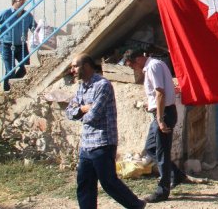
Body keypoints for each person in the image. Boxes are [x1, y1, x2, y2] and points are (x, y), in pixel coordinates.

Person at [66, 53, 146, 209]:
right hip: (86, 143)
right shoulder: (82, 86)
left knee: (108, 182)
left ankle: (135, 205)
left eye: (75, 66)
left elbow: (93, 116)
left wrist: (80, 113)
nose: (72, 70)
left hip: (103, 142)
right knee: (84, 183)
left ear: (87, 66)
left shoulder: (102, 85)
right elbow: (69, 111)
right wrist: (82, 109)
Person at [123, 49, 190, 203]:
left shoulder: (153, 66)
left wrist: (160, 119)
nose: (133, 68)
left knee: (161, 153)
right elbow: (157, 94)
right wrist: (152, 105)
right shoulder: (155, 65)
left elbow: (160, 93)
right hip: (161, 112)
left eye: (132, 65)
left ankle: (162, 191)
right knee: (151, 148)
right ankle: (176, 175)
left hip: (164, 114)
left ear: (138, 59)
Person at [0, 0, 36, 91]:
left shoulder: (28, 15)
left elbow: (35, 29)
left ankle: (13, 86)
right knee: (10, 71)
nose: (25, 3)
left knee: (26, 67)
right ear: (16, 0)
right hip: (6, 46)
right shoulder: (5, 13)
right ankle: (8, 93)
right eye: (23, 0)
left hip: (22, 46)